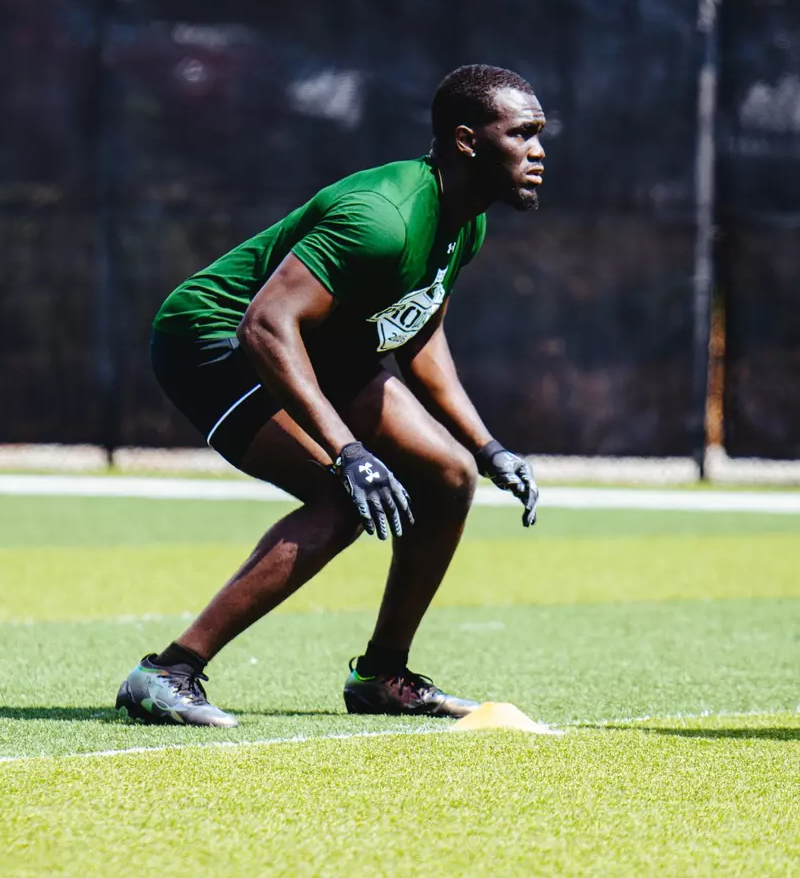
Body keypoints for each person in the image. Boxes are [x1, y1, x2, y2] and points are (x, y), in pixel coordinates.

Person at [116, 64, 544, 727]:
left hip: (325, 343)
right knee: (342, 500)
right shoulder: (383, 219)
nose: (538, 151)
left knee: (449, 475)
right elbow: (264, 324)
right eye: (522, 134)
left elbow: (418, 329)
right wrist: (347, 450)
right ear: (467, 140)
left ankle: (382, 677)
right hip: (216, 338)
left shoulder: (466, 222)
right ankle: (168, 671)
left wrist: (487, 447)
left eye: (540, 135)